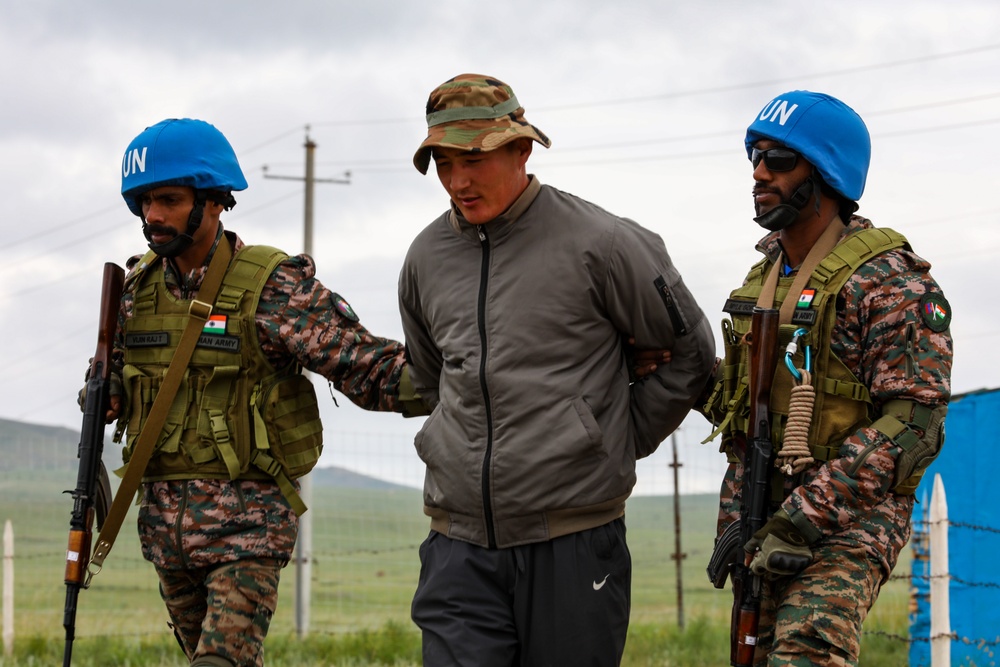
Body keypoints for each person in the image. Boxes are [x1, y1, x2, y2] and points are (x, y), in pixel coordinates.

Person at [398, 73, 717, 666]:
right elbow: (430, 373)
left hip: (572, 541)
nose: (457, 180)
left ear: (521, 148)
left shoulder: (606, 243)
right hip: (457, 547)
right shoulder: (424, 257)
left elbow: (691, 353)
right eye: (442, 161)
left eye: (473, 157)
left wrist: (608, 436)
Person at [106, 118, 426, 667]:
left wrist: (475, 379)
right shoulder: (136, 290)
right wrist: (104, 391)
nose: (152, 215)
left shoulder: (273, 286)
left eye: (168, 199)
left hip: (247, 531)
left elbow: (368, 368)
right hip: (165, 533)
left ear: (214, 202)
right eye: (143, 202)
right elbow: (115, 376)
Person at [700, 90, 952, 665]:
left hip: (848, 523)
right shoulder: (762, 281)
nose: (760, 172)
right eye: (755, 157)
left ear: (828, 172)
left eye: (781, 160)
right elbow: (745, 406)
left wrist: (802, 518)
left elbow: (914, 422)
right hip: (759, 518)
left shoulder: (891, 281)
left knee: (806, 653)